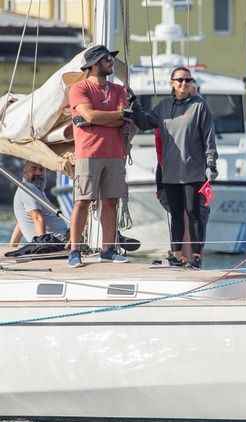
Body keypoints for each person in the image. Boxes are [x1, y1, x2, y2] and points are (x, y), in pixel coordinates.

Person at [130, 66, 217, 269]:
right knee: (176, 215)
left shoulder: (200, 106)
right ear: (172, 83)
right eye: (179, 80)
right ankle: (176, 255)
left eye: (188, 80)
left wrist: (211, 163)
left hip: (194, 172)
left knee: (194, 214)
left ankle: (196, 257)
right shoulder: (162, 106)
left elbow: (209, 137)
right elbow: (144, 123)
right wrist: (134, 105)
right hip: (170, 173)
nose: (184, 83)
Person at [67, 44, 131, 268]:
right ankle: (75, 250)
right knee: (83, 201)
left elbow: (123, 117)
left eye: (111, 58)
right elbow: (88, 114)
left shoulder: (119, 90)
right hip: (88, 153)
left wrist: (97, 118)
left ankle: (108, 249)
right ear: (94, 64)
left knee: (111, 202)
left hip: (115, 153)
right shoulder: (78, 89)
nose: (111, 62)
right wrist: (108, 117)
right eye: (106, 59)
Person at [10, 162, 68, 247]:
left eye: (41, 169)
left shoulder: (36, 190)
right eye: (34, 169)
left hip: (59, 240)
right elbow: (37, 217)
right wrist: (43, 247)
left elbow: (21, 222)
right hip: (56, 242)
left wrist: (13, 245)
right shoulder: (28, 188)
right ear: (24, 172)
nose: (39, 173)